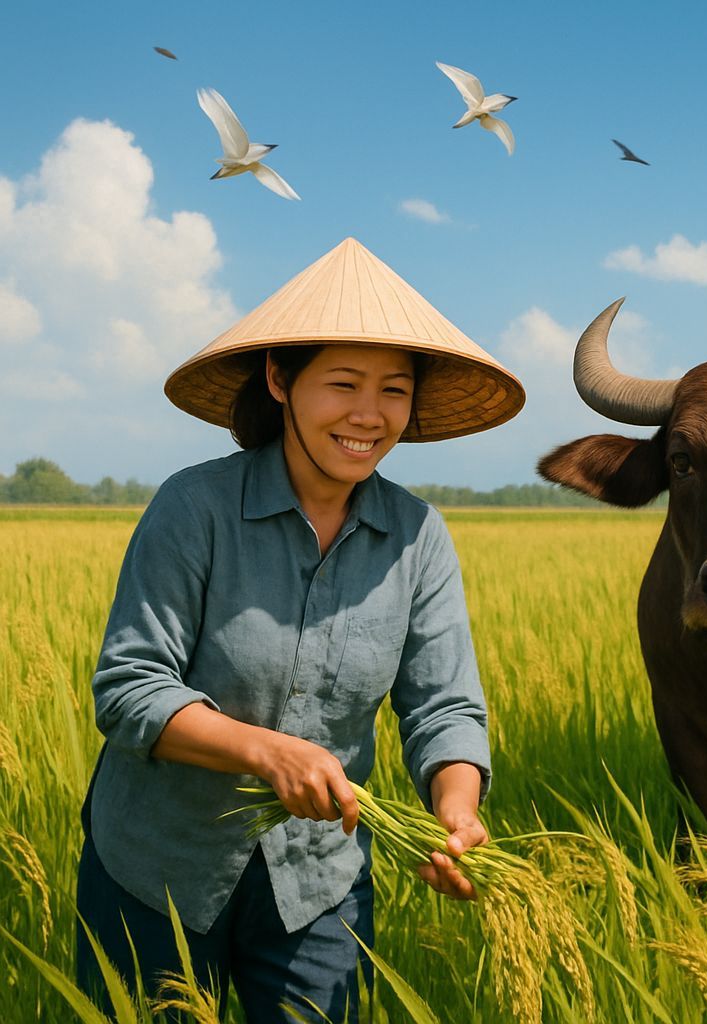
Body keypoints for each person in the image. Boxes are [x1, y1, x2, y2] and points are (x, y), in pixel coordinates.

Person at [75, 237, 525, 1022]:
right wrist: (270, 752)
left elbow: (444, 707)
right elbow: (130, 687)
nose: (368, 414)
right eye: (343, 383)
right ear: (281, 380)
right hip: (157, 871)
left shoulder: (418, 537)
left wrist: (457, 808)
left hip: (319, 885)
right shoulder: (196, 509)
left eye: (393, 389)